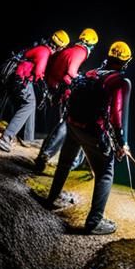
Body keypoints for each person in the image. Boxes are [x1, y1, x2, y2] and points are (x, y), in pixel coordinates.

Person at [35, 40, 133, 235]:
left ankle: (50, 199)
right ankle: (94, 222)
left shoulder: (92, 73)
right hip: (92, 131)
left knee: (64, 163)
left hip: (73, 124)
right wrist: (122, 143)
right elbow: (118, 114)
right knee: (105, 172)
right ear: (125, 62)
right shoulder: (120, 82)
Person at [32, 28, 99, 173]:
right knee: (65, 124)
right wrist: (83, 80)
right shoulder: (81, 52)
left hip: (54, 88)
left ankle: (45, 155)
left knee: (61, 124)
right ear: (91, 44)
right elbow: (71, 72)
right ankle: (46, 156)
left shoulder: (71, 49)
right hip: (61, 91)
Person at [0, 30, 68, 152]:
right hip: (20, 81)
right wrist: (47, 87)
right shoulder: (45, 52)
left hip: (16, 78)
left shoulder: (41, 47)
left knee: (31, 103)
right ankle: (5, 137)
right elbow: (38, 72)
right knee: (28, 104)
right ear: (60, 47)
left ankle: (26, 137)